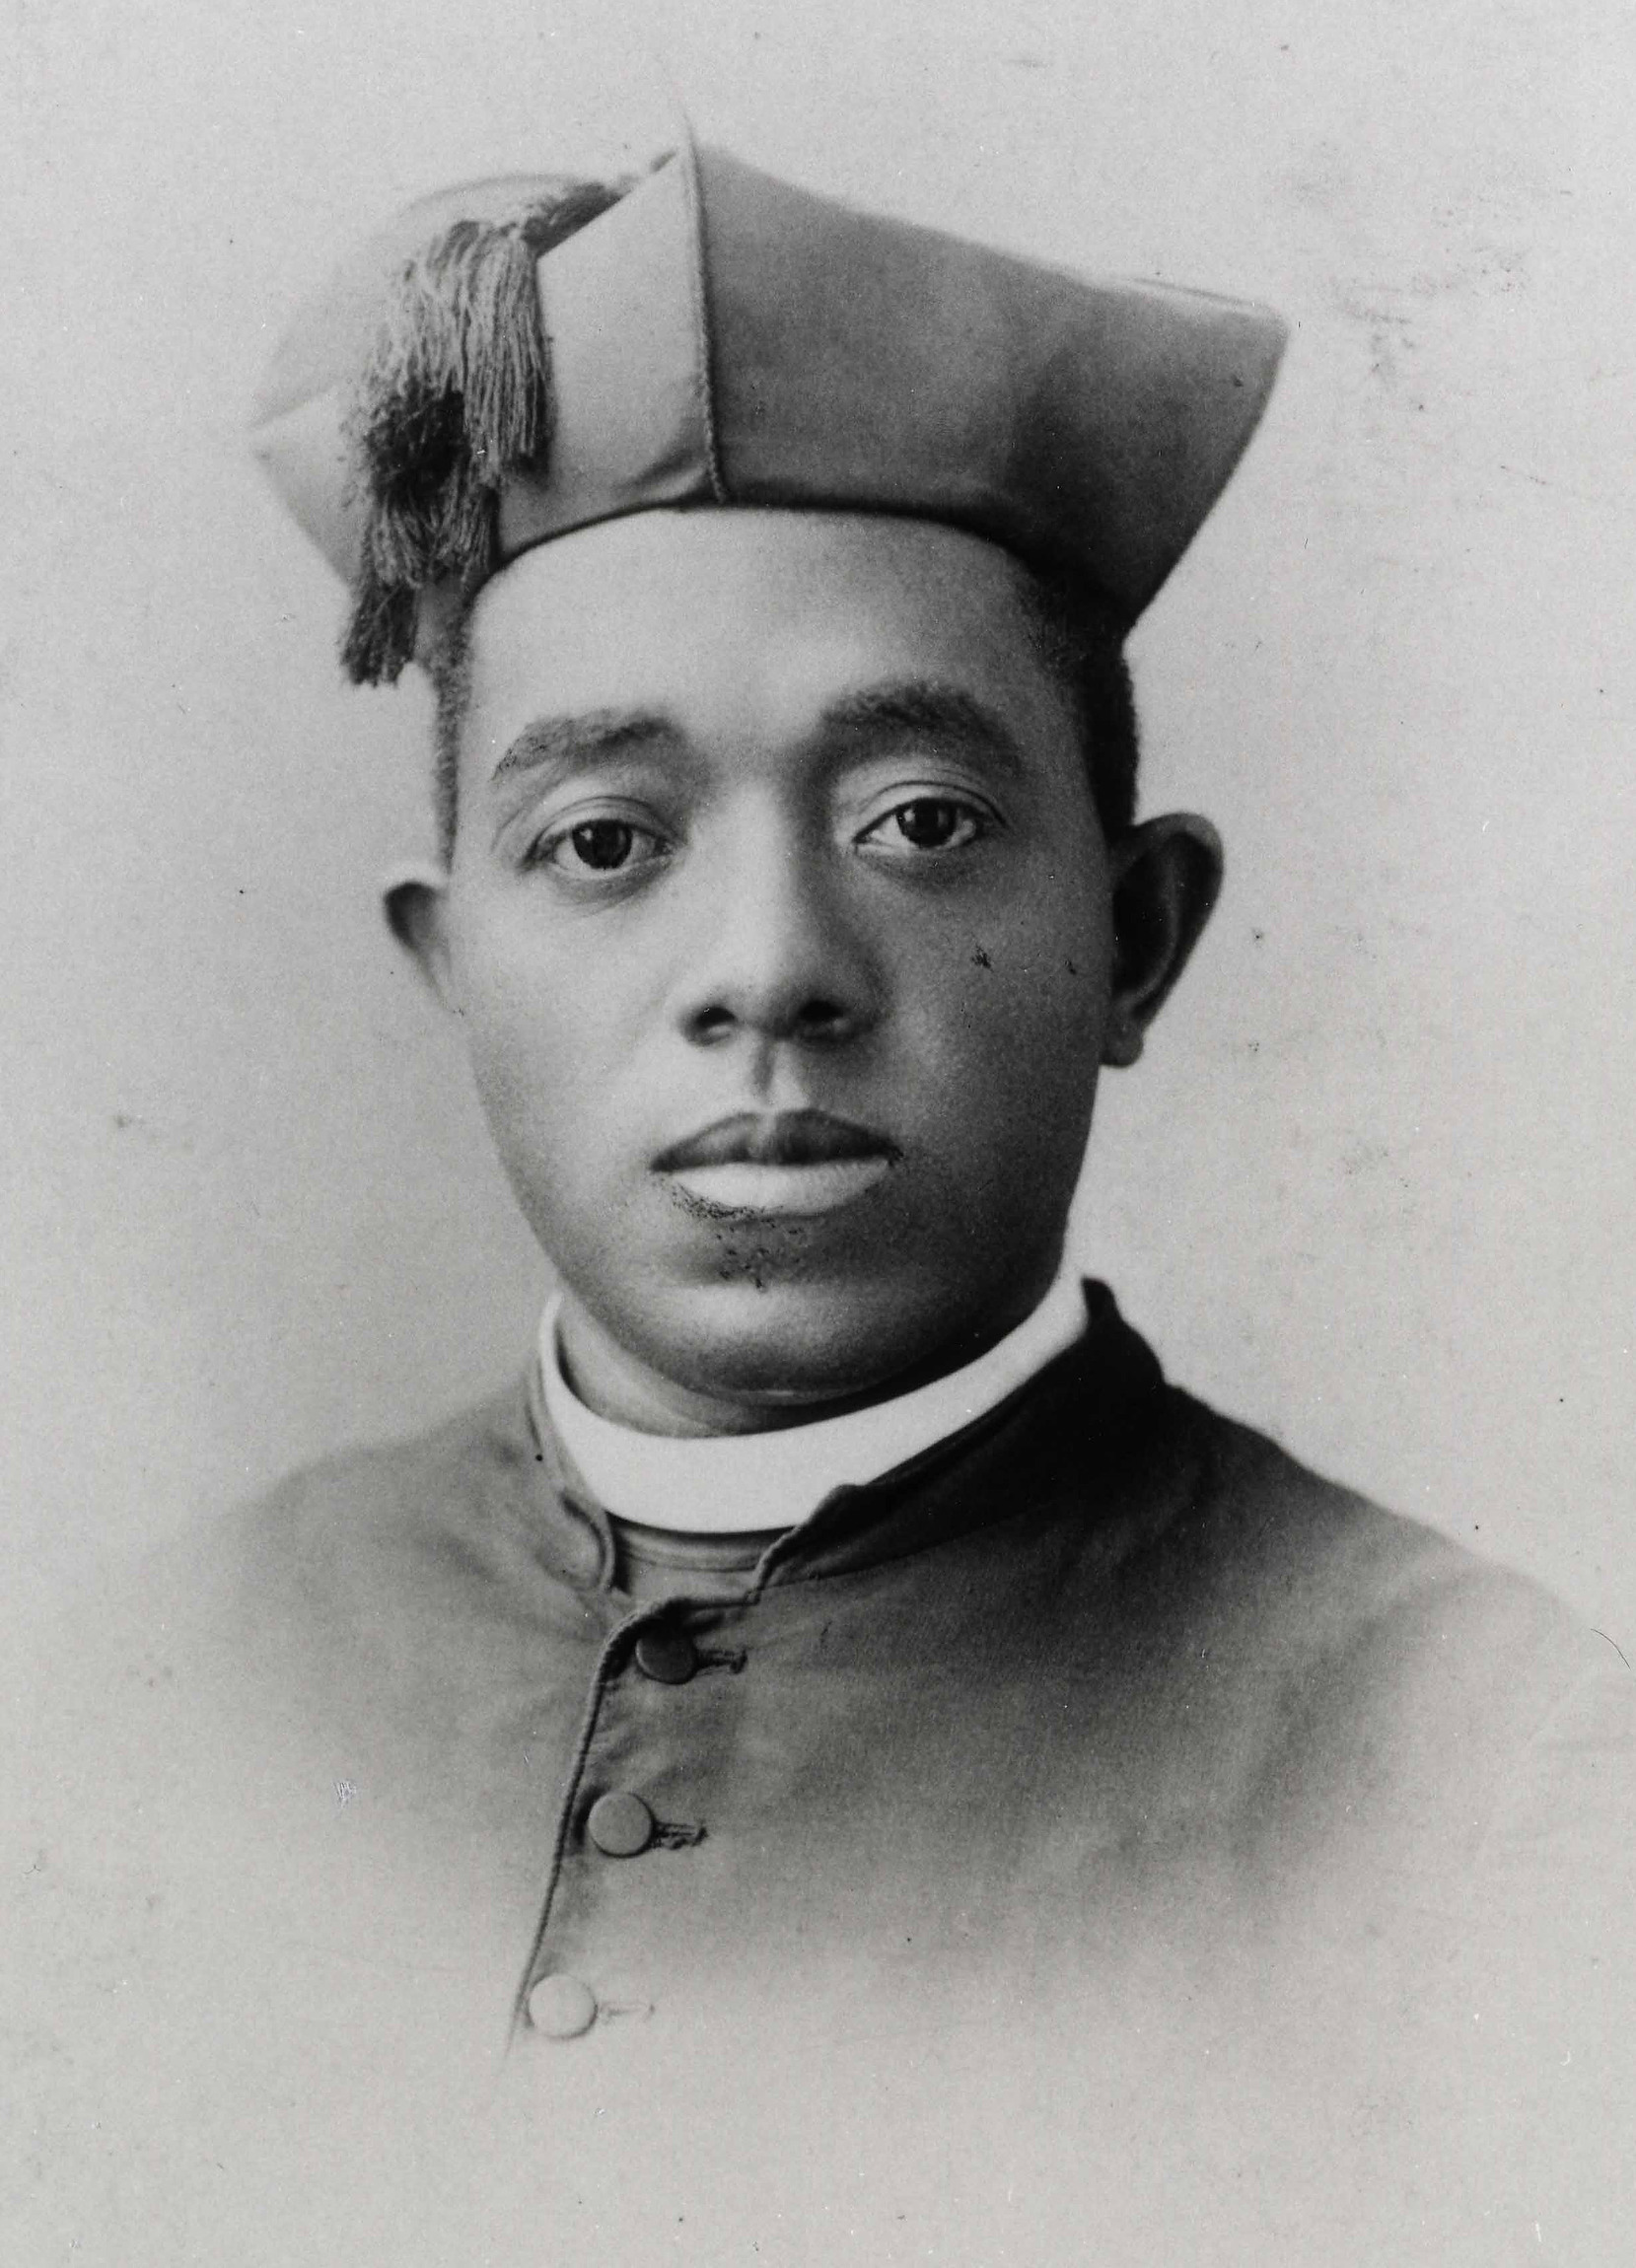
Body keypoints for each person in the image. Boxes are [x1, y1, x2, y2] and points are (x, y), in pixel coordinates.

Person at [5, 135, 1632, 2267]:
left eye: (921, 817)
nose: (767, 965)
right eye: (603, 842)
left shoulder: (1487, 1778)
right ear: (446, 967)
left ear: (1134, 938)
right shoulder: (126, 1713)